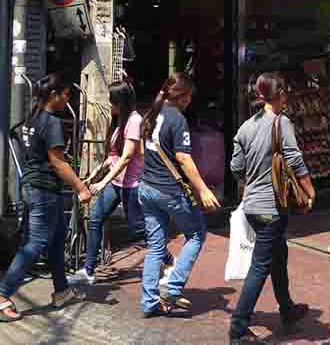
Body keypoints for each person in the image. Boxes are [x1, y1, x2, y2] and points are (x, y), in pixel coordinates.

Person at [0, 73, 90, 322]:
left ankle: (61, 291)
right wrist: (80, 187)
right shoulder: (51, 122)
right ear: (53, 95)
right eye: (65, 95)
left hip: (35, 186)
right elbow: (59, 162)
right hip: (43, 189)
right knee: (35, 244)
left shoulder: (34, 116)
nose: (67, 100)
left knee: (55, 238)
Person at [229, 73, 315, 345]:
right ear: (278, 95)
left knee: (278, 254)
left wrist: (254, 177)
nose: (287, 97)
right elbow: (295, 159)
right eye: (285, 93)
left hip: (252, 205)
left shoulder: (245, 127)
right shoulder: (281, 124)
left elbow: (236, 167)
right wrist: (310, 190)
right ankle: (238, 328)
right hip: (271, 207)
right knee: (261, 265)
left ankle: (287, 309)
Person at [69, 81, 172, 287]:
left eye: (112, 101)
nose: (110, 104)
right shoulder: (121, 122)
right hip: (116, 184)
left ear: (121, 102)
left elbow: (126, 158)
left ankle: (170, 261)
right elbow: (113, 157)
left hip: (132, 186)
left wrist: (101, 183)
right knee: (96, 218)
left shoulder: (134, 121)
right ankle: (88, 270)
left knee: (140, 230)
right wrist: (95, 176)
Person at [138, 72, 220, 317]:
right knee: (196, 234)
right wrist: (203, 189)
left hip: (147, 187)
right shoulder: (177, 120)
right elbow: (184, 158)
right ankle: (172, 287)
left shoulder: (152, 114)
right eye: (190, 96)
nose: (190, 100)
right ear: (182, 96)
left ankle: (149, 301)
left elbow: (143, 153)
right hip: (169, 190)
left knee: (155, 246)